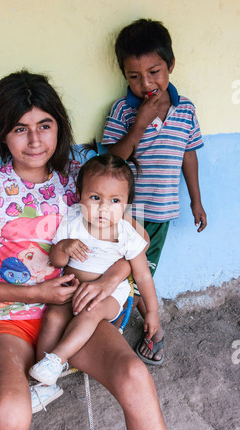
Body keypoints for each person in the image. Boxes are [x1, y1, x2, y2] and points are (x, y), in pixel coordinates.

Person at [0, 70, 170, 430]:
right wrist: (37, 293)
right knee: (6, 419)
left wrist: (107, 280)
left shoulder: (80, 179)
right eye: (20, 128)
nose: (35, 140)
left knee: (135, 376)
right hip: (6, 317)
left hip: (74, 311)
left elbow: (137, 240)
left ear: (59, 126)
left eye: (44, 125)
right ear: (2, 131)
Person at [102, 18, 207, 365]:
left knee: (138, 273)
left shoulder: (186, 109)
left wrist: (196, 201)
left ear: (170, 66)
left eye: (154, 72)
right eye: (134, 76)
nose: (145, 83)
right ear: (124, 74)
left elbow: (188, 156)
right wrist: (140, 123)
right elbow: (110, 162)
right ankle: (132, 324)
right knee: (124, 272)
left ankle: (153, 329)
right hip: (124, 214)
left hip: (160, 215)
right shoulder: (122, 110)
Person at [29, 149, 161, 385]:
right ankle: (43, 379)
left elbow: (143, 276)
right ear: (79, 196)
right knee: (53, 318)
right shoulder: (72, 222)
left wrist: (152, 311)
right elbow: (56, 261)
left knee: (91, 312)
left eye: (115, 201)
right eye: (95, 198)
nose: (103, 208)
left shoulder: (127, 235)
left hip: (110, 295)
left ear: (126, 205)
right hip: (71, 290)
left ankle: (57, 359)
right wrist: (64, 247)